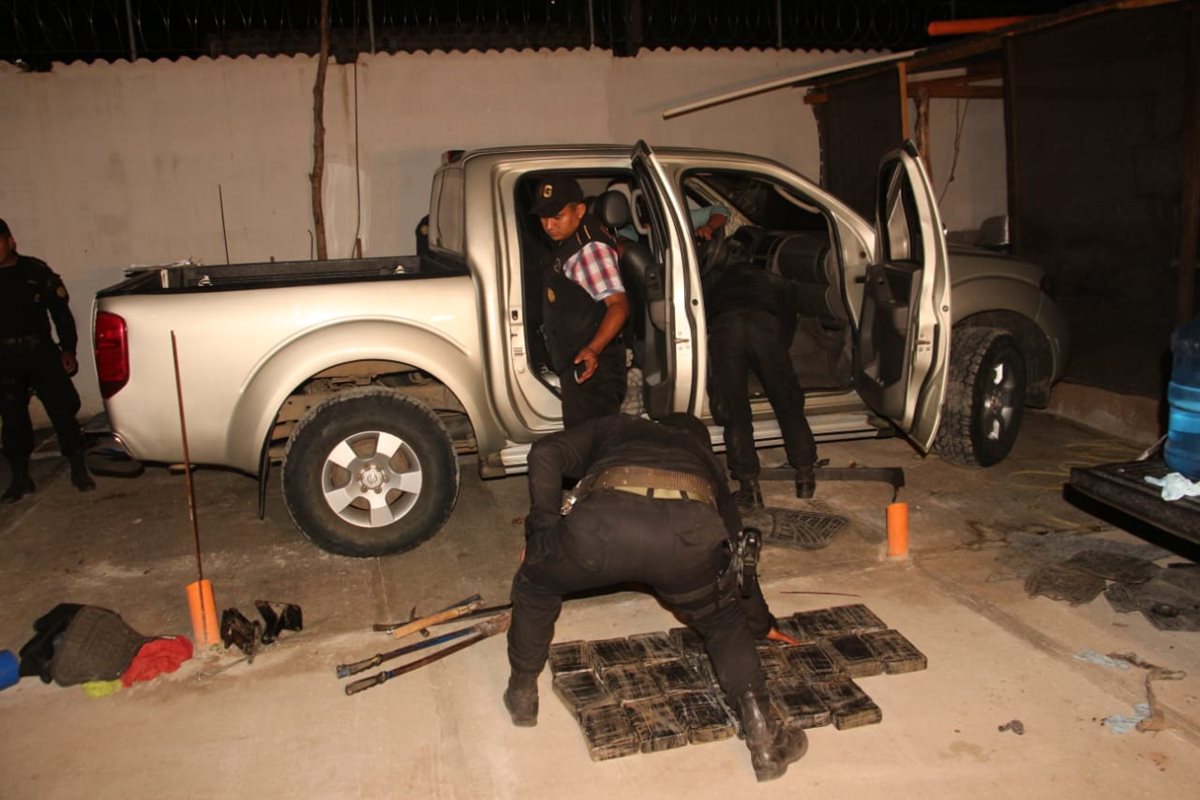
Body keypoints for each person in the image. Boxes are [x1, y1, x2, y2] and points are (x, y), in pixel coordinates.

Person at [503, 413, 808, 782]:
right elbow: (738, 562)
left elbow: (544, 453)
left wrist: (543, 532)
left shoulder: (616, 426)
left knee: (536, 586)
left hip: (600, 530)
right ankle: (766, 740)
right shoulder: (704, 459)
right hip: (686, 540)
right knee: (723, 622)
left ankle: (522, 693)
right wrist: (760, 623)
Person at [705, 259, 817, 507]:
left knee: (735, 410)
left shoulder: (714, 278)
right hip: (764, 325)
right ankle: (805, 476)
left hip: (727, 327)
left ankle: (749, 487)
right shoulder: (770, 279)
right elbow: (788, 321)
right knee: (788, 402)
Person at [0, 218, 95, 501]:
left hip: (40, 352)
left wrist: (68, 349)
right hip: (5, 357)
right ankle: (20, 478)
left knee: (63, 411)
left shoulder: (35, 272)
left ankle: (79, 468)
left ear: (10, 241)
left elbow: (61, 315)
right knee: (13, 419)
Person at [531, 176, 629, 427]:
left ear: (580, 210)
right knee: (585, 447)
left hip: (595, 369)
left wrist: (594, 349)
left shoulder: (589, 249)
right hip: (580, 365)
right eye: (544, 217)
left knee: (594, 449)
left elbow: (618, 306)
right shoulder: (574, 238)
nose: (549, 225)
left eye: (557, 216)